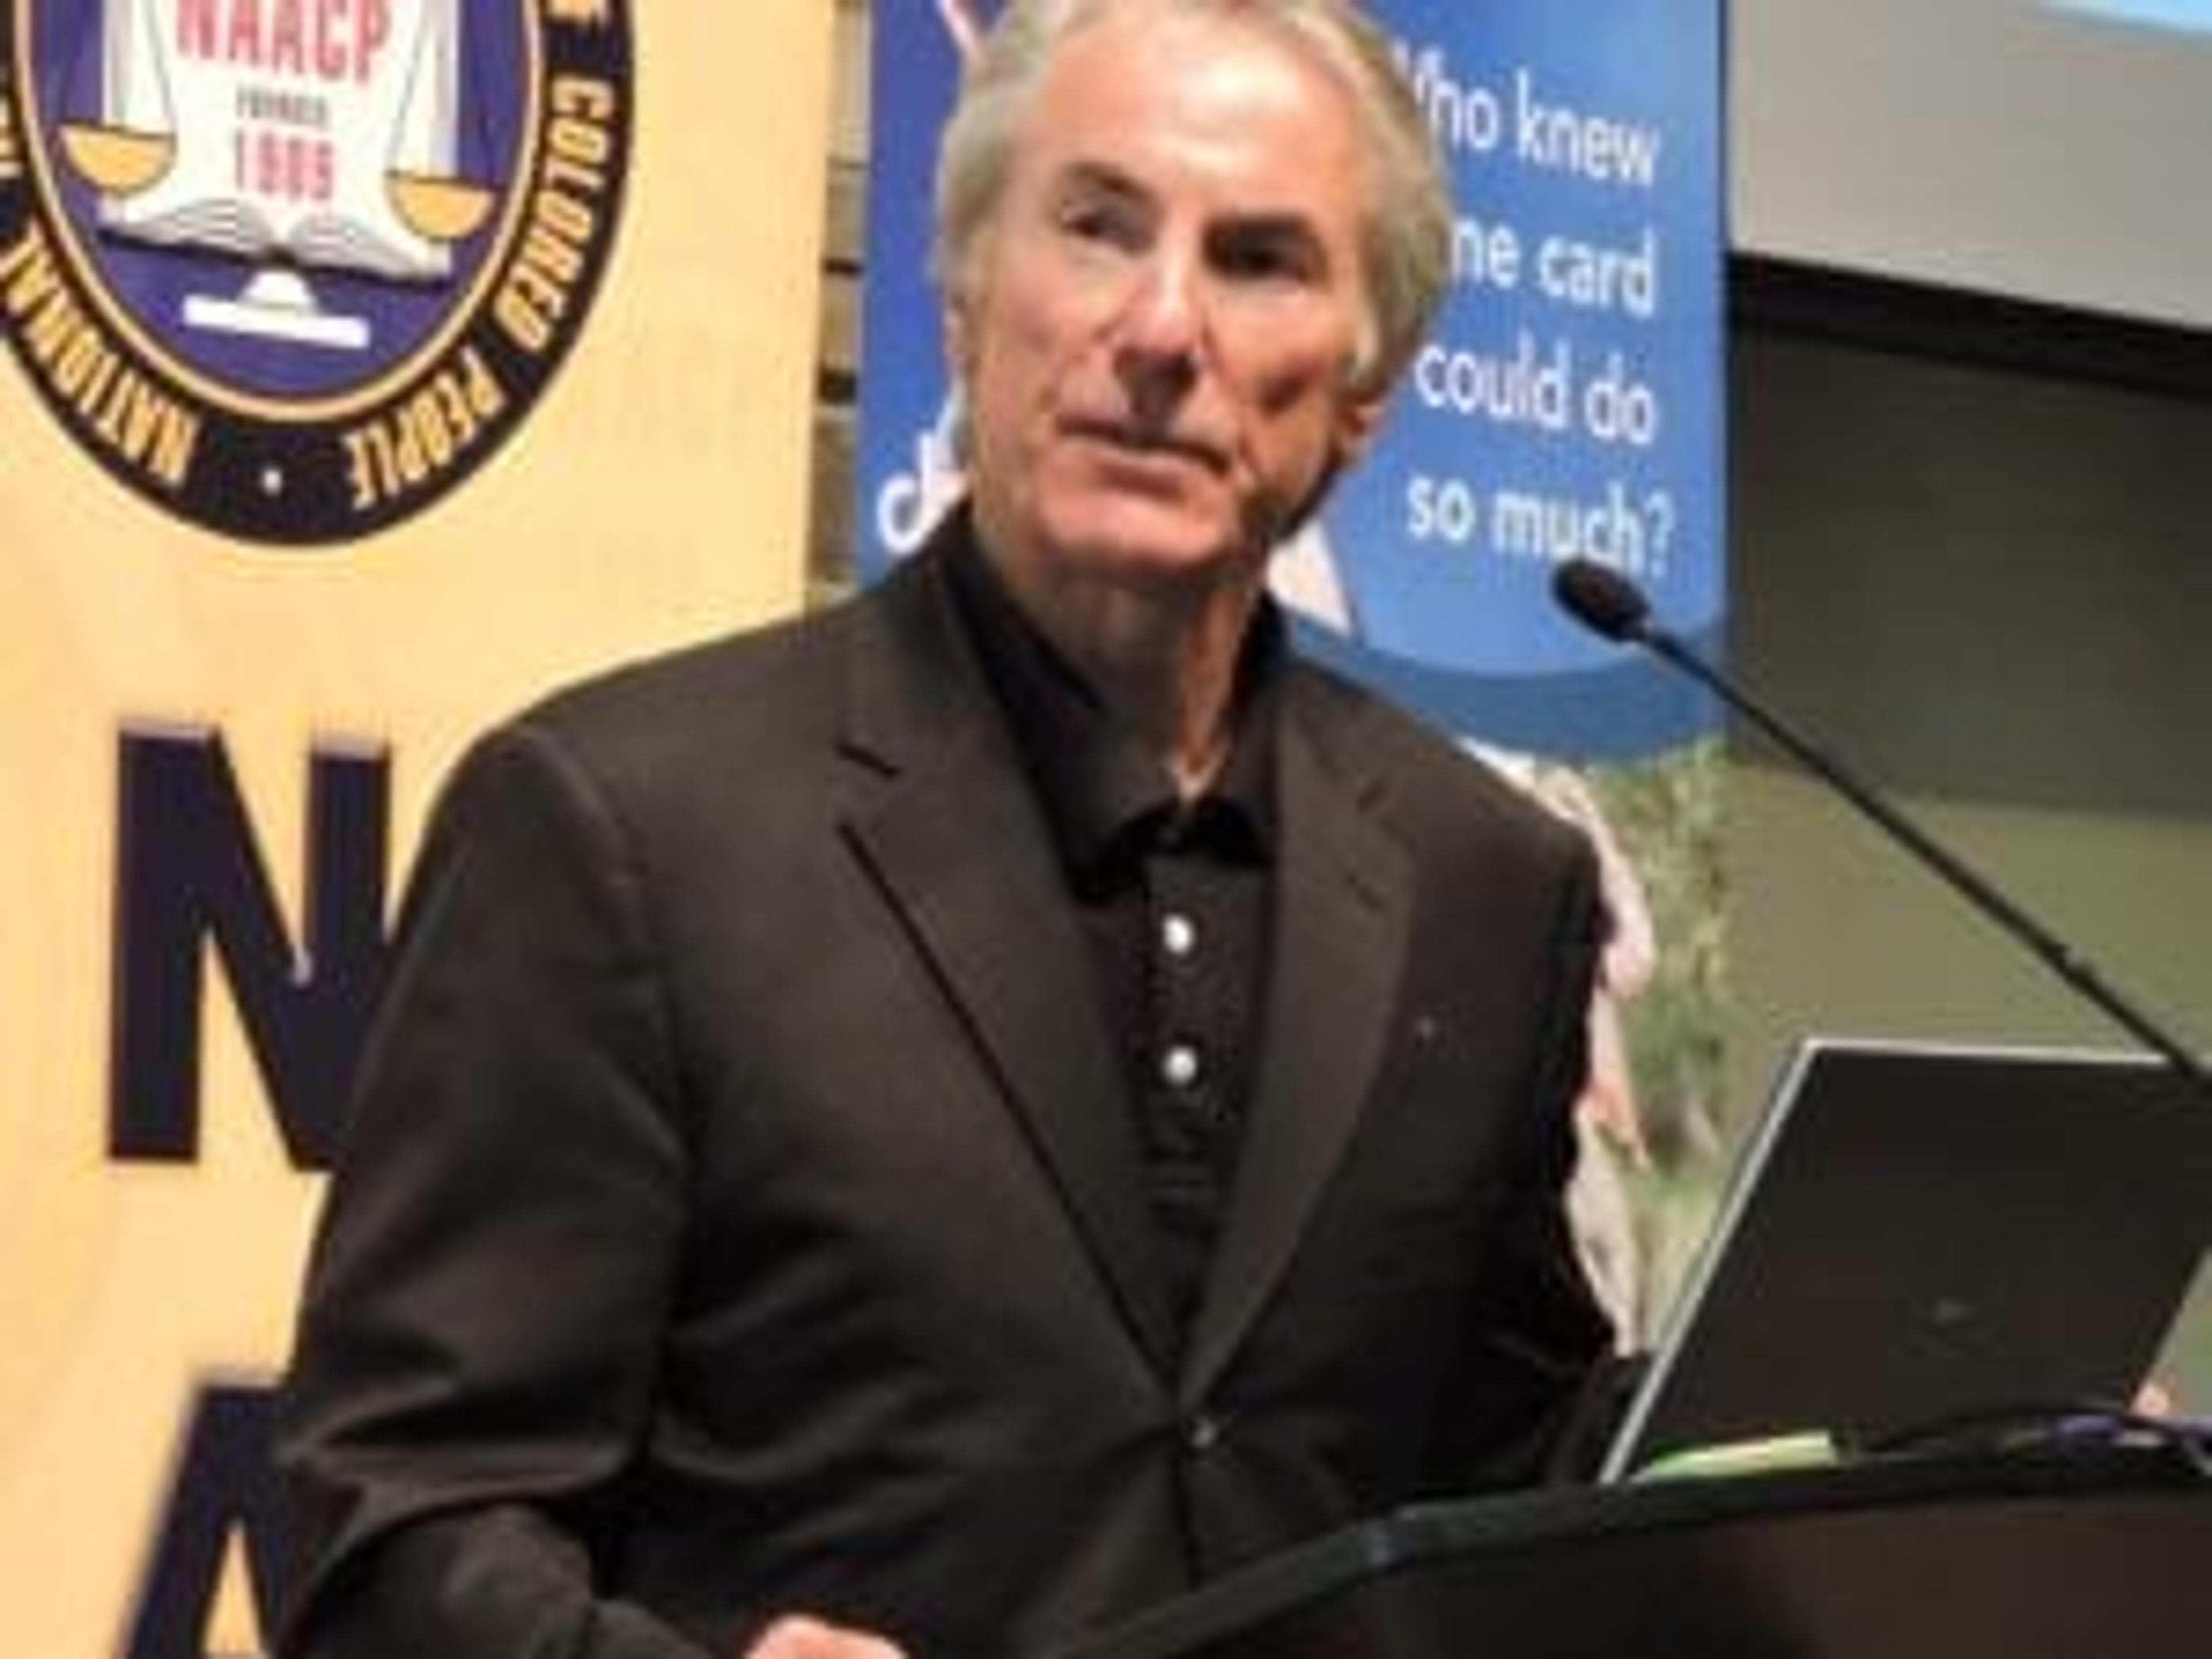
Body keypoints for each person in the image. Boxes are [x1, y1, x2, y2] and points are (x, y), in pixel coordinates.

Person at [274, 3, 1618, 1657]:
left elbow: (1515, 1506)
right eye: (1097, 224)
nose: (1162, 323)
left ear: (1367, 391)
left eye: (1262, 259)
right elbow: (387, 1532)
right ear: (968, 296)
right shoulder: (621, 827)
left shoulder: (1490, 884)